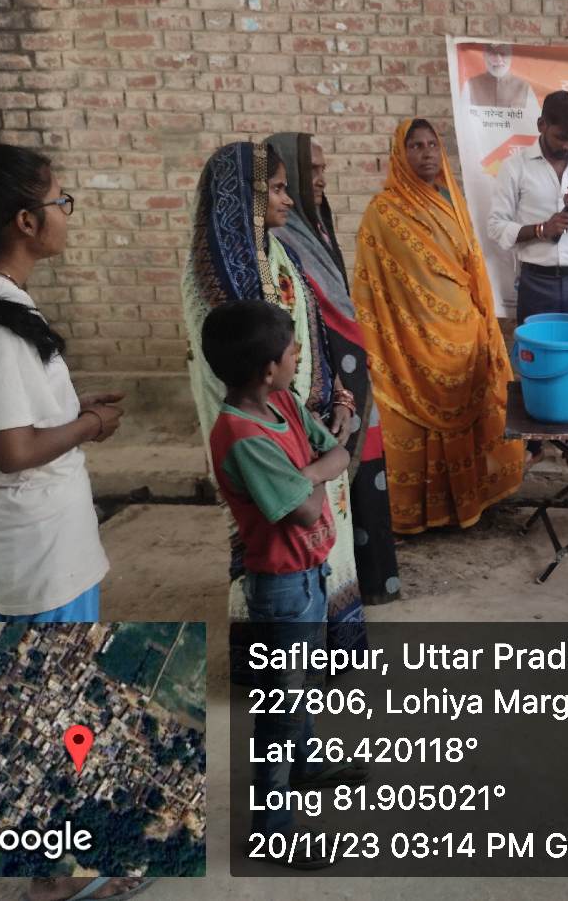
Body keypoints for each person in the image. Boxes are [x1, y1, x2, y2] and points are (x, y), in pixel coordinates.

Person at [0, 146, 146, 901]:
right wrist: (86, 426)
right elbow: (11, 447)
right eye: (61, 202)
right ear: (25, 221)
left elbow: (6, 420)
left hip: (22, 535)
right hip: (38, 540)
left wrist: (74, 410)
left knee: (37, 696)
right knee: (54, 706)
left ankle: (54, 864)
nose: (67, 214)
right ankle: (63, 881)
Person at [182, 141, 366, 666]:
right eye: (278, 189)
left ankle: (322, 649)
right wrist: (314, 452)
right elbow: (248, 366)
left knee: (319, 544)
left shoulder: (279, 253)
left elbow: (308, 335)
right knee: (279, 538)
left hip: (304, 423)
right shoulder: (217, 273)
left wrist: (334, 399)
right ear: (245, 196)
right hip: (270, 434)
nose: (289, 200)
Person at [200, 300, 366, 869]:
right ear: (268, 367)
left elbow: (333, 451)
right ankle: (271, 831)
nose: (299, 357)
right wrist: (322, 470)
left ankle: (306, 764)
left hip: (309, 575)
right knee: (280, 710)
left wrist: (315, 467)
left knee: (299, 689)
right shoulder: (241, 435)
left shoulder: (283, 403)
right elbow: (306, 506)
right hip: (282, 586)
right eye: (293, 351)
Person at [353, 119, 525, 533]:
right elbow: (372, 286)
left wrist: (482, 323)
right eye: (415, 145)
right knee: (413, 423)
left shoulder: (452, 201)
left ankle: (470, 504)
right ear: (400, 154)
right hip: (412, 345)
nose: (427, 152)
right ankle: (423, 515)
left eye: (432, 144)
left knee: (475, 414)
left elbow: (472, 264)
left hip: (462, 335)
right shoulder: (383, 213)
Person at [265, 132, 400, 605]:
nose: (321, 179)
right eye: (312, 171)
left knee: (364, 480)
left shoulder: (314, 228)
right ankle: (336, 592)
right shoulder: (281, 243)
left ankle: (370, 583)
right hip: (318, 380)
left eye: (322, 169)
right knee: (336, 489)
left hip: (348, 374)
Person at [487, 90, 568, 463]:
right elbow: (496, 227)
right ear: (542, 125)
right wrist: (541, 230)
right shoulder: (515, 167)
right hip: (537, 281)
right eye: (561, 137)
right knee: (535, 361)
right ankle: (533, 445)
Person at [464, 42, 538, 111]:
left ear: (511, 55)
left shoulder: (524, 87)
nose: (498, 59)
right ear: (484, 55)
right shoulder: (470, 85)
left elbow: (533, 118)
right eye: (492, 53)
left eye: (503, 53)